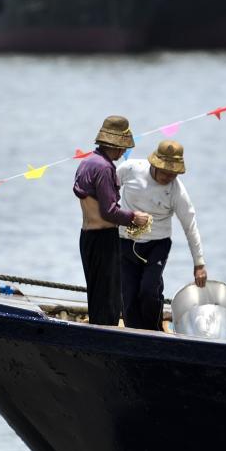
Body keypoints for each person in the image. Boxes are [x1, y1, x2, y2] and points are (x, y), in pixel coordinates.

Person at [117, 140, 207, 330]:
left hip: (157, 245)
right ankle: (133, 333)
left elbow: (190, 225)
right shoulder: (130, 169)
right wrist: (117, 215)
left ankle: (153, 331)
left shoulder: (177, 191)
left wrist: (199, 264)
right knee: (129, 294)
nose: (168, 177)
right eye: (165, 172)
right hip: (126, 241)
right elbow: (109, 190)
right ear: (154, 164)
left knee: (149, 290)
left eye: (173, 173)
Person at [73, 115, 149, 325]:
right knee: (109, 301)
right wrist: (134, 218)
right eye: (123, 147)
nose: (124, 151)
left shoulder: (86, 162)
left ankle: (95, 336)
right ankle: (105, 341)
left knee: (97, 297)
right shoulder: (105, 168)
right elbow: (109, 211)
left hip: (87, 238)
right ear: (114, 145)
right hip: (104, 239)